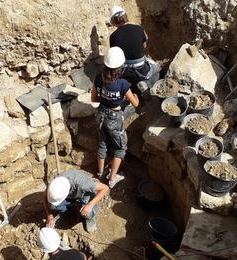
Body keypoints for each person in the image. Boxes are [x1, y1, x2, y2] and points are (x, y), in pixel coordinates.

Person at [91, 47, 139, 188]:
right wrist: (134, 96)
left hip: (100, 114)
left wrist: (106, 97)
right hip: (114, 117)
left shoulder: (98, 78)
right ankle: (112, 179)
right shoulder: (123, 84)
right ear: (121, 67)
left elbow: (94, 99)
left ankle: (100, 173)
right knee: (120, 148)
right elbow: (135, 103)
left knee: (102, 143)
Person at [109, 6, 160, 96]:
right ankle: (146, 84)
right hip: (142, 69)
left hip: (125, 72)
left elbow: (115, 56)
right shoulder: (138, 28)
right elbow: (144, 46)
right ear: (125, 16)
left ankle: (131, 88)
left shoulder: (113, 37)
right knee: (157, 69)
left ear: (113, 21)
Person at [43, 170, 109, 233]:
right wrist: (49, 215)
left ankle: (89, 218)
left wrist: (90, 205)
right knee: (52, 205)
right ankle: (65, 212)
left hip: (84, 195)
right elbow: (44, 197)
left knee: (87, 211)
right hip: (72, 196)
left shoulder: (83, 184)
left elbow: (105, 188)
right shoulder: (53, 186)